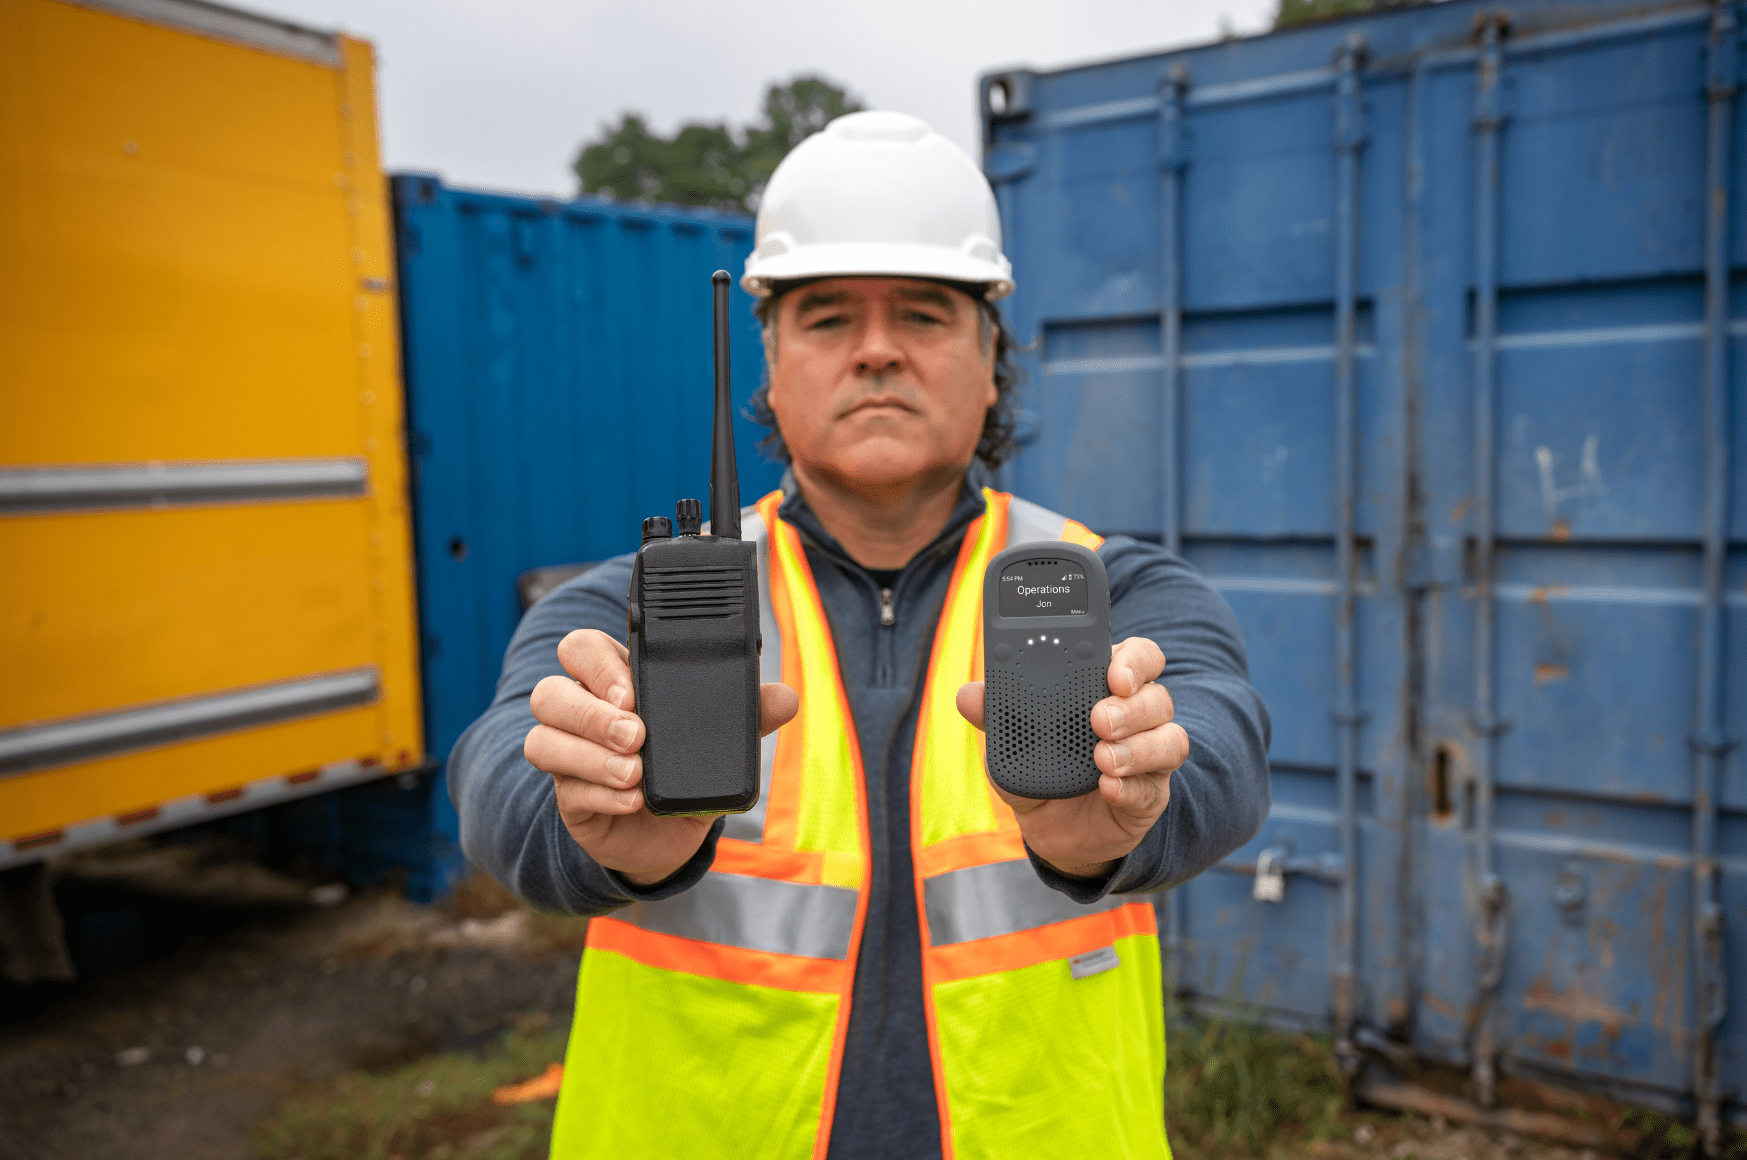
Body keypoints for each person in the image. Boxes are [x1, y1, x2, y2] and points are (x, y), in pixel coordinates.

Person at [448, 110, 1270, 1159]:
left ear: (991, 358)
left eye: (924, 315)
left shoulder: (1114, 587)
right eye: (828, 318)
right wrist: (591, 824)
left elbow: (1224, 747)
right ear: (771, 362)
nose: (877, 349)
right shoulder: (635, 604)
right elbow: (498, 777)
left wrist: (1127, 814)